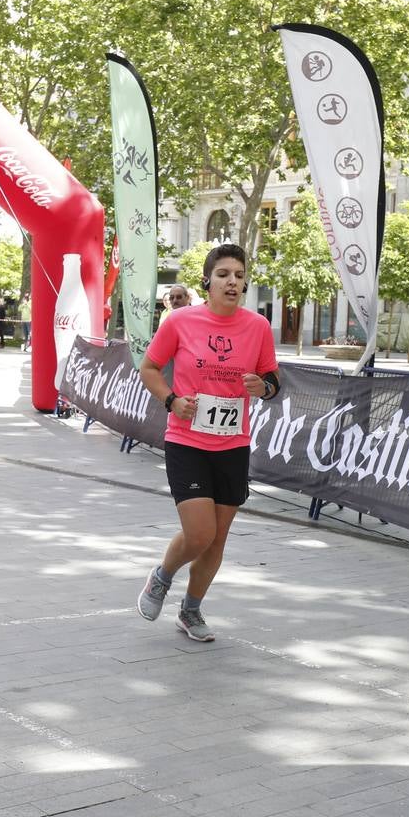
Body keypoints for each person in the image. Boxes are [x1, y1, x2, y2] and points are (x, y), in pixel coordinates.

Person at [136, 244, 279, 642]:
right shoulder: (180, 322)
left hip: (233, 444)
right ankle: (162, 577)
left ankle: (191, 610)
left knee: (218, 538)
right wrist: (171, 401)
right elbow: (149, 367)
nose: (232, 281)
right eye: (223, 274)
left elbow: (272, 380)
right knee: (199, 534)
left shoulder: (258, 327)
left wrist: (262, 387)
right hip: (186, 441)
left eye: (238, 274)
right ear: (208, 281)